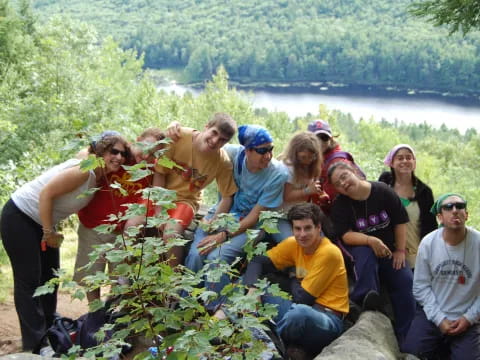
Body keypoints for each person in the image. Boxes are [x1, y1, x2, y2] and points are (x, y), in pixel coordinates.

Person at [0, 132, 130, 352]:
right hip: (20, 217)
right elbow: (46, 194)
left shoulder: (96, 170)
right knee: (29, 282)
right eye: (113, 151)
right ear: (100, 151)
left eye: (123, 153)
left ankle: (49, 324)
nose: (119, 157)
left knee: (50, 276)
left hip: (40, 221)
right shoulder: (85, 171)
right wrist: (48, 231)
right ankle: (38, 343)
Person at [220, 203, 348, 357]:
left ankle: (266, 342)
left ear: (318, 228)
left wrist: (293, 277)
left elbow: (303, 299)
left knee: (299, 314)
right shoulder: (293, 243)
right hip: (293, 310)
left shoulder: (329, 252)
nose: (302, 234)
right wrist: (253, 290)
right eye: (297, 229)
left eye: (307, 228)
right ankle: (217, 325)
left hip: (325, 318)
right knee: (244, 283)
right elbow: (258, 261)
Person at [184, 124, 288, 303]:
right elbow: (203, 142)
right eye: (262, 151)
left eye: (271, 149)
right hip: (221, 212)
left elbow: (254, 217)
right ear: (247, 151)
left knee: (217, 258)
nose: (269, 156)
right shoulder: (232, 154)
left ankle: (215, 311)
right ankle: (186, 304)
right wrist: (177, 129)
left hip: (251, 225)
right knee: (195, 254)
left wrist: (222, 236)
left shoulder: (277, 174)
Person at [328, 161, 415, 347]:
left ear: (355, 172)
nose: (343, 183)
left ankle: (405, 339)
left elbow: (400, 221)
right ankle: (365, 300)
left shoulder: (383, 191)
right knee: (365, 253)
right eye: (337, 184)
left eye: (344, 176)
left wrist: (400, 250)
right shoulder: (341, 205)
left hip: (389, 250)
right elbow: (345, 235)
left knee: (405, 280)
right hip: (361, 250)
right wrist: (370, 240)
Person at [74, 128, 165, 303]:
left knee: (120, 278)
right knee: (91, 276)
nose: (146, 155)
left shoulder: (154, 167)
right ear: (137, 140)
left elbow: (155, 195)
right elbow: (89, 151)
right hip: (92, 224)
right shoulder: (119, 153)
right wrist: (83, 157)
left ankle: (110, 314)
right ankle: (94, 314)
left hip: (122, 231)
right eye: (145, 148)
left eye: (152, 153)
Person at [153, 112, 238, 266]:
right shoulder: (179, 138)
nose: (214, 141)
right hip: (161, 194)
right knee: (133, 225)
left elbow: (227, 196)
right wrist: (158, 209)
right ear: (206, 127)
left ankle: (174, 280)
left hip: (186, 201)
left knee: (170, 234)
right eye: (214, 133)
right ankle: (124, 279)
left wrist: (214, 222)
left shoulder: (222, 161)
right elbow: (159, 172)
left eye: (222, 140)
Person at [403, 193, 480, 359]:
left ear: (466, 214)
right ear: (440, 217)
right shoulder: (428, 243)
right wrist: (439, 319)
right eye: (448, 207)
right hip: (432, 314)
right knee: (411, 354)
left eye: (459, 206)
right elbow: (420, 287)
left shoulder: (478, 243)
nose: (454, 210)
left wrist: (469, 318)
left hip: (467, 317)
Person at [379, 144, 437, 268]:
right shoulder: (383, 186)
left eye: (409, 157)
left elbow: (431, 226)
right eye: (400, 158)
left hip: (418, 255)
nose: (405, 161)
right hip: (390, 253)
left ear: (414, 163)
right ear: (391, 163)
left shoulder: (425, 192)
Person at [271, 131, 325, 243]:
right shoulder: (287, 167)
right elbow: (287, 196)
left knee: (320, 241)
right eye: (303, 157)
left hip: (299, 214)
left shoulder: (311, 166)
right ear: (295, 154)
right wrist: (307, 190)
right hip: (280, 215)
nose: (307, 161)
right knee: (294, 243)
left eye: (311, 157)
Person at [307, 119, 365, 214]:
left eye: (324, 138)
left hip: (342, 214)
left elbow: (342, 194)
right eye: (315, 139)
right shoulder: (318, 157)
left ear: (331, 139)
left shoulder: (337, 161)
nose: (320, 142)